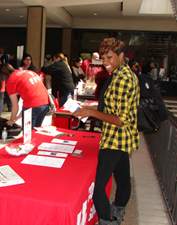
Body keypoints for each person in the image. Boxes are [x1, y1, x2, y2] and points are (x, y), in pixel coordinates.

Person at [73, 38, 140, 225]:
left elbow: (120, 119)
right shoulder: (120, 73)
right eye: (103, 58)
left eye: (109, 57)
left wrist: (91, 112)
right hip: (120, 138)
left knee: (99, 189)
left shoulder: (123, 78)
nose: (105, 62)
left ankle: (107, 220)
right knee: (123, 179)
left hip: (115, 139)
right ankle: (118, 213)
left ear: (121, 56)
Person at [0, 63, 49, 130]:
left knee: (28, 134)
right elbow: (29, 99)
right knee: (36, 131)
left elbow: (15, 106)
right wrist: (16, 118)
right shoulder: (28, 72)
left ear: (2, 75)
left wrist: (11, 120)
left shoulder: (10, 81)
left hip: (33, 105)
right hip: (45, 103)